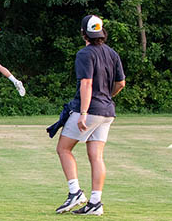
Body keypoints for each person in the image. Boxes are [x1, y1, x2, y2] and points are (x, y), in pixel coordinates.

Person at [55, 15, 125, 216]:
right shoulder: (112, 53)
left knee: (63, 148)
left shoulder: (84, 54)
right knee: (96, 156)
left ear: (83, 33)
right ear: (102, 32)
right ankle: (95, 202)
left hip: (90, 110)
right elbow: (121, 83)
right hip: (107, 111)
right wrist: (106, 97)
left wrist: (84, 113)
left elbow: (86, 83)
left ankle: (75, 192)